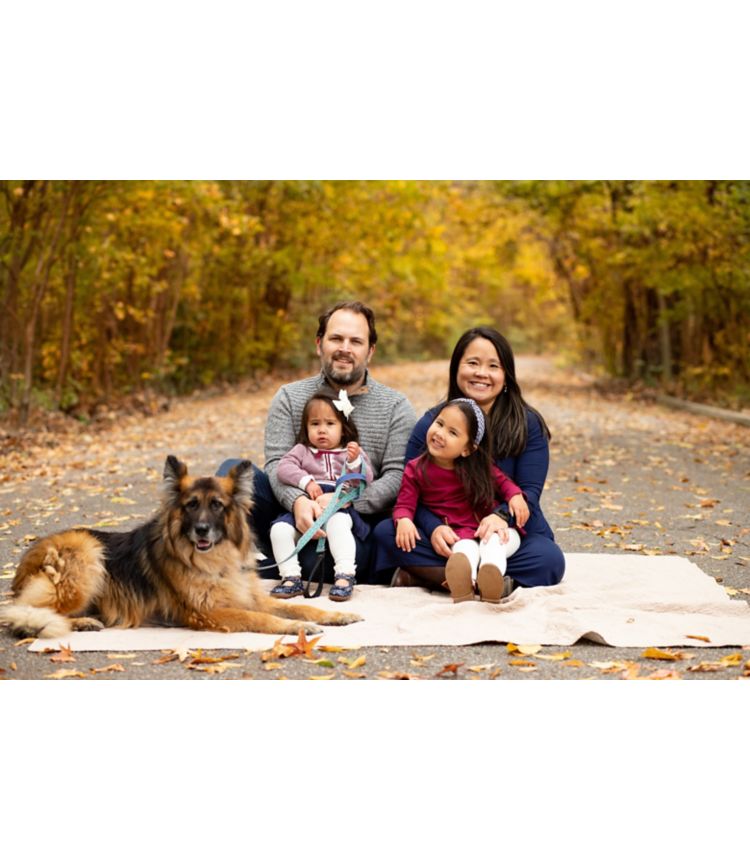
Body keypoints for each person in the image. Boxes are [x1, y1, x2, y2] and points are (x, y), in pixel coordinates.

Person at [218, 300, 416, 586]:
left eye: (356, 341)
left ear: (370, 351)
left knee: (318, 563)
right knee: (232, 472)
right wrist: (298, 501)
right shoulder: (289, 397)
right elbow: (276, 464)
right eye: (336, 338)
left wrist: (339, 503)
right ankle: (243, 558)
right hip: (291, 512)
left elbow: (397, 476)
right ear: (319, 344)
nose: (345, 348)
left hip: (351, 522)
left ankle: (271, 567)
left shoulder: (396, 406)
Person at [373, 326, 565, 590]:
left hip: (506, 533)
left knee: (548, 559)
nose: (481, 373)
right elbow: (411, 489)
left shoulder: (527, 424)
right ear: (456, 369)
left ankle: (428, 577)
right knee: (386, 533)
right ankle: (487, 584)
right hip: (451, 531)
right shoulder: (432, 425)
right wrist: (433, 529)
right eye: (472, 363)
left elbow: (528, 492)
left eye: (493, 366)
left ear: (506, 375)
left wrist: (501, 517)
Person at [393, 398, 529, 603]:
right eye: (439, 423)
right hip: (459, 535)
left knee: (493, 545)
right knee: (462, 554)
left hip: (492, 530)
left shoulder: (478, 468)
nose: (440, 433)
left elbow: (504, 483)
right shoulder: (416, 469)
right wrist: (403, 520)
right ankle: (466, 587)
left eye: (452, 432)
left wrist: (516, 495)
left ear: (468, 449)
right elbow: (405, 503)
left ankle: (491, 579)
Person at [269, 389, 374, 602]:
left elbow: (366, 479)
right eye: (315, 424)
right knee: (279, 530)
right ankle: (290, 577)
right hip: (306, 506)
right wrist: (305, 482)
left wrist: (354, 463)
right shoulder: (302, 450)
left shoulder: (350, 452)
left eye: (330, 424)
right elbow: (283, 468)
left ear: (343, 429)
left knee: (339, 526)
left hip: (337, 506)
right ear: (306, 428)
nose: (322, 430)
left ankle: (345, 575)